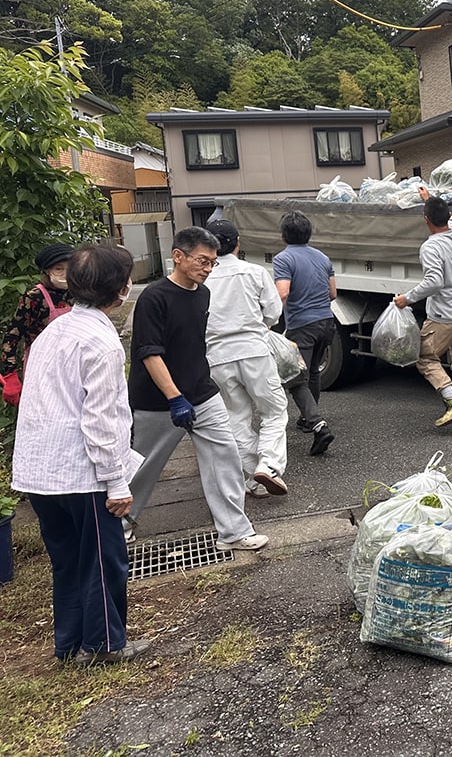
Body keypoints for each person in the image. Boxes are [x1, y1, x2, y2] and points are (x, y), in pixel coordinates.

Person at [12, 243, 152, 664]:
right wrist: (116, 482)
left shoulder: (54, 330)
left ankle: (70, 644)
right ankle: (106, 645)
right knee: (104, 561)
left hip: (38, 470)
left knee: (68, 561)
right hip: (81, 473)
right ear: (120, 290)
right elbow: (102, 421)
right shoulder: (102, 342)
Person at [125, 227, 268, 552]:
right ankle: (121, 524)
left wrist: (192, 391)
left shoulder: (202, 293)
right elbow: (149, 352)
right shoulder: (154, 297)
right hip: (157, 400)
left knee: (225, 457)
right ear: (178, 256)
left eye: (212, 263)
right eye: (202, 261)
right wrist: (175, 398)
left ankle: (233, 532)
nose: (207, 269)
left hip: (202, 392)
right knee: (143, 465)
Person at [203, 219, 289, 499]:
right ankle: (269, 465)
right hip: (254, 350)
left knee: (235, 418)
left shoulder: (203, 278)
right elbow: (273, 313)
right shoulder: (254, 272)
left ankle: (254, 477)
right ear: (238, 242)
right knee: (273, 411)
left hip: (216, 356)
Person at [393, 189, 452, 427]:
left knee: (424, 356)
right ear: (448, 215)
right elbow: (449, 217)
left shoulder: (430, 247)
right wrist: (428, 198)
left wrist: (406, 299)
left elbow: (434, 282)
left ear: (426, 220)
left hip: (444, 316)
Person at [273, 210, 336, 455]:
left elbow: (282, 293)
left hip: (302, 326)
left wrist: (266, 316)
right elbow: (333, 294)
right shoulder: (322, 257)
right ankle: (308, 418)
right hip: (326, 322)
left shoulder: (283, 259)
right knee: (312, 373)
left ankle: (317, 423)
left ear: (283, 235)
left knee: (295, 377)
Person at [1, 242, 74, 406]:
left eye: (70, 268)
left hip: (72, 364)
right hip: (41, 366)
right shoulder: (34, 297)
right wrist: (10, 376)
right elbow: (12, 335)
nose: (65, 274)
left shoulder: (78, 293)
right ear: (47, 271)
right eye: (59, 269)